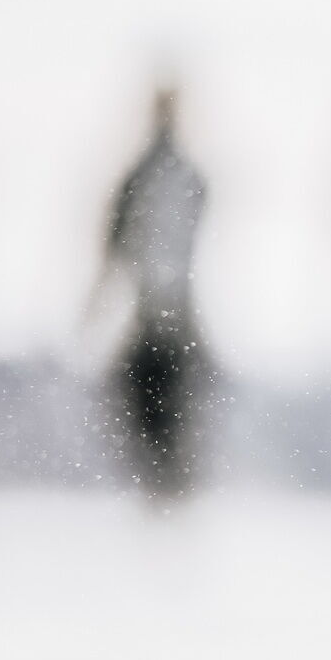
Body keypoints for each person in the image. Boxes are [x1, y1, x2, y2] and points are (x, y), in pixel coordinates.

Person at [105, 88, 207, 498]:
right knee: (153, 395)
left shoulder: (172, 174)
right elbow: (117, 240)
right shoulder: (158, 175)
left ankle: (168, 477)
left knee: (167, 394)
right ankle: (161, 476)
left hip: (170, 310)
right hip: (155, 309)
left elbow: (118, 240)